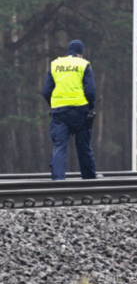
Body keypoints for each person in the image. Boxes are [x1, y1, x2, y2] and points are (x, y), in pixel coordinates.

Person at [41, 40, 97, 180]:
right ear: (80, 52)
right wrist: (90, 106)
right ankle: (89, 178)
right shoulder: (83, 64)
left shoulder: (55, 64)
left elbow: (47, 90)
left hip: (60, 112)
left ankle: (58, 180)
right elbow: (90, 90)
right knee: (84, 146)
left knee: (59, 146)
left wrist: (53, 104)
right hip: (81, 111)